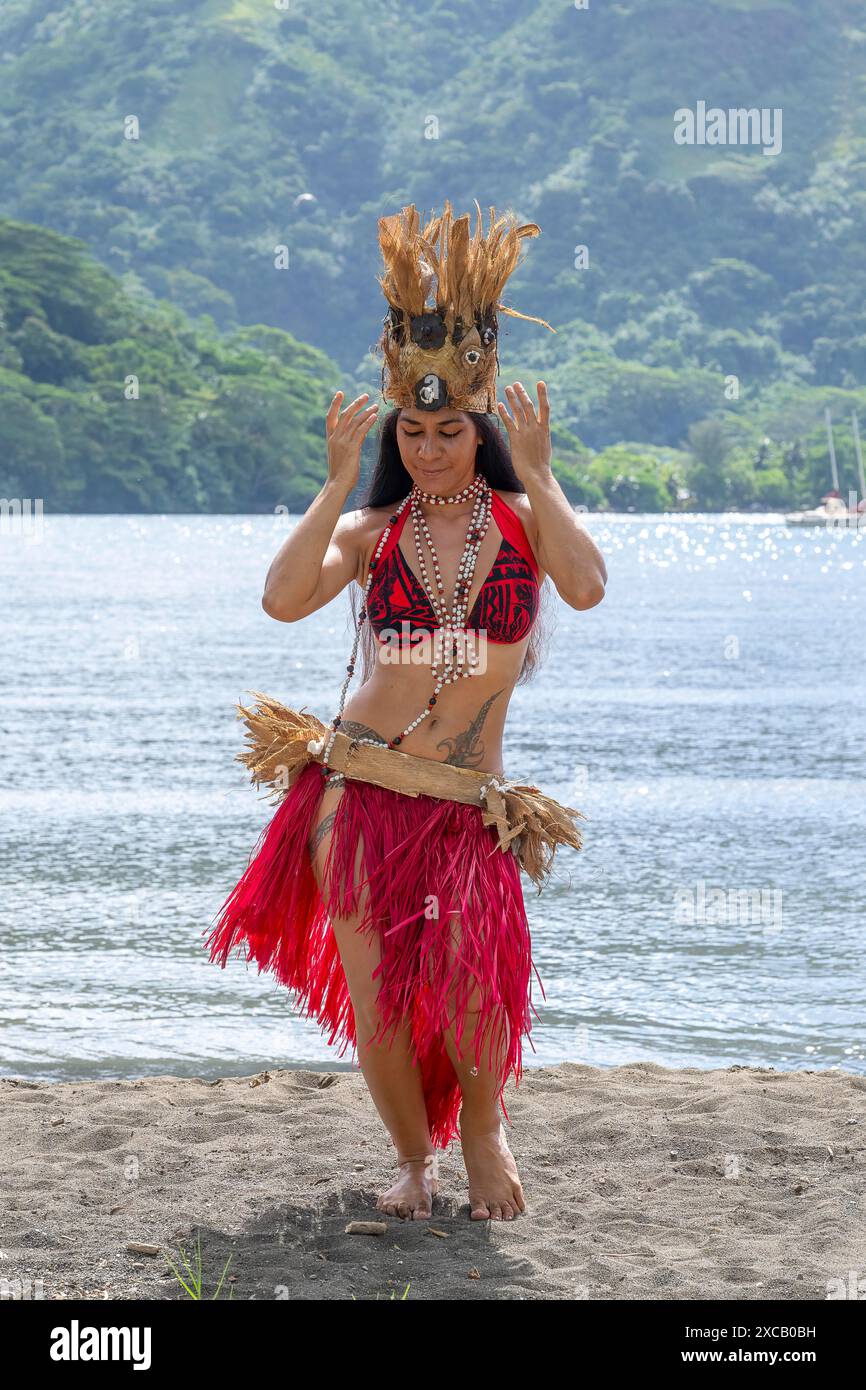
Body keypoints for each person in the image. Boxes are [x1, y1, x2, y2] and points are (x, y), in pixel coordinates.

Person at [204, 200, 607, 1222]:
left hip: (465, 802)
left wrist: (545, 470)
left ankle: (481, 1128)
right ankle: (415, 1165)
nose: (430, 450)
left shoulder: (520, 522)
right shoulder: (372, 530)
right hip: (360, 793)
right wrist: (337, 481)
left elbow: (588, 584)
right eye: (413, 431)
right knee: (380, 1006)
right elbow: (281, 597)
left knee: (475, 985)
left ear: (483, 429)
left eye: (451, 431)